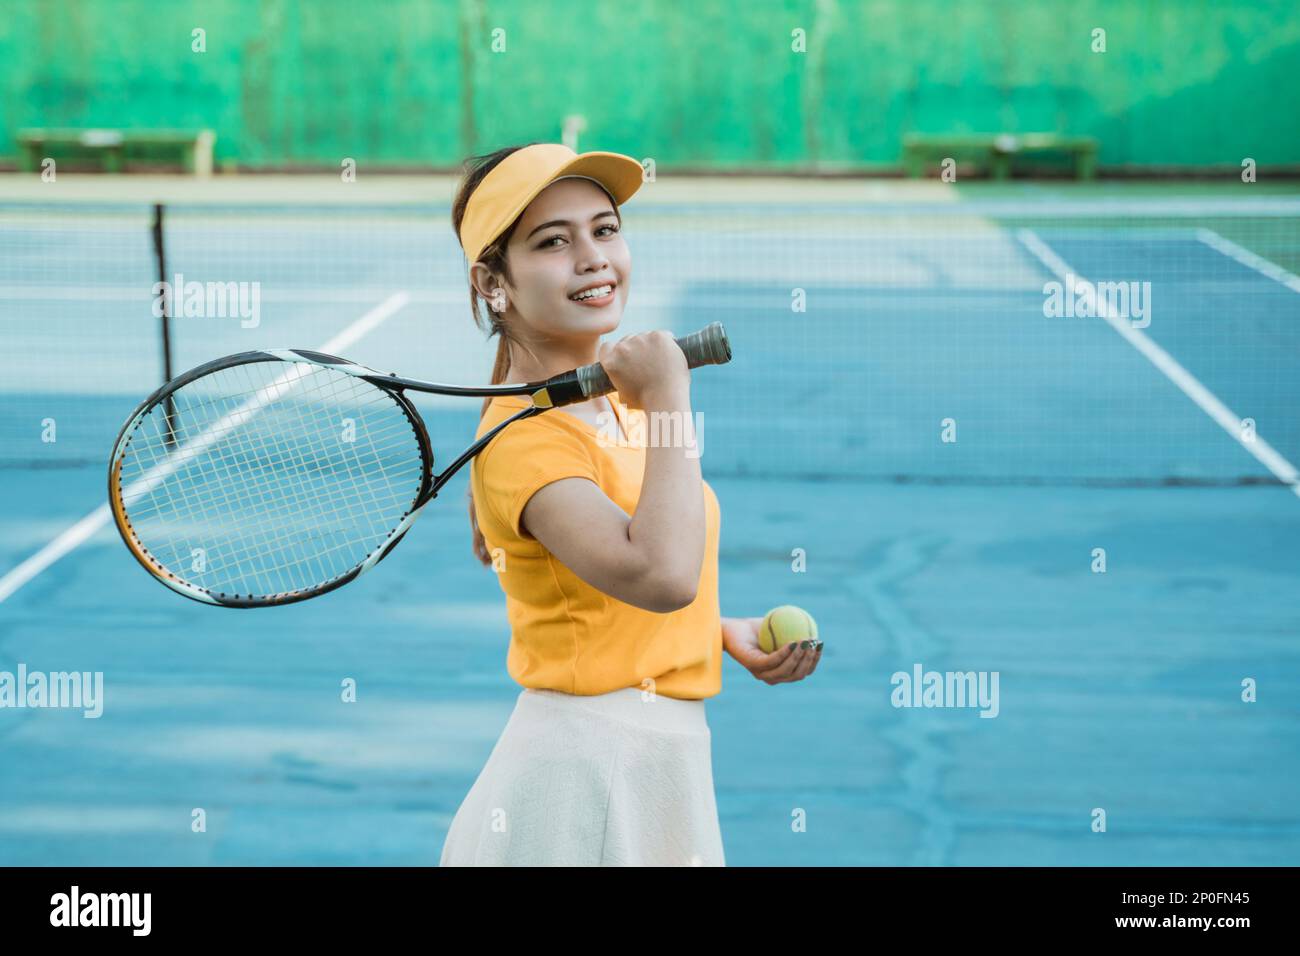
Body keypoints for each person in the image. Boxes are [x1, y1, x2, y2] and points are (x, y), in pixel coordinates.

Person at [439, 142, 821, 866]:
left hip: (655, 763)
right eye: (554, 241)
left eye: (604, 229)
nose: (593, 257)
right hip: (583, 781)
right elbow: (662, 575)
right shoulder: (528, 444)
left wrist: (710, 631)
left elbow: (625, 592)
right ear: (494, 283)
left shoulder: (619, 411)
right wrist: (672, 391)